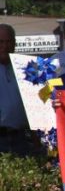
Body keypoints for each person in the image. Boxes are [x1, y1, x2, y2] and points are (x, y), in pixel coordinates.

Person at [0, 23, 37, 156]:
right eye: (1, 42)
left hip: (21, 138)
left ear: (14, 43)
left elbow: (34, 105)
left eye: (9, 42)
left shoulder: (24, 69)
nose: (5, 46)